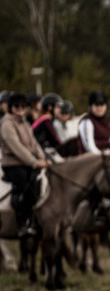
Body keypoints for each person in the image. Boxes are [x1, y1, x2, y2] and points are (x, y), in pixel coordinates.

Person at [0, 93, 50, 237]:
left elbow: (34, 144)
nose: (21, 109)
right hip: (12, 164)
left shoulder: (25, 123)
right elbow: (16, 147)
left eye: (23, 106)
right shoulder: (6, 124)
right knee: (25, 187)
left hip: (27, 163)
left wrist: (43, 159)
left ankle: (36, 219)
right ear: (11, 108)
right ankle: (22, 222)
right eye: (17, 106)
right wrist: (35, 162)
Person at [31, 93, 64, 157]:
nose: (60, 110)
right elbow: (55, 141)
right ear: (50, 107)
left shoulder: (42, 119)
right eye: (57, 107)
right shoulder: (46, 121)